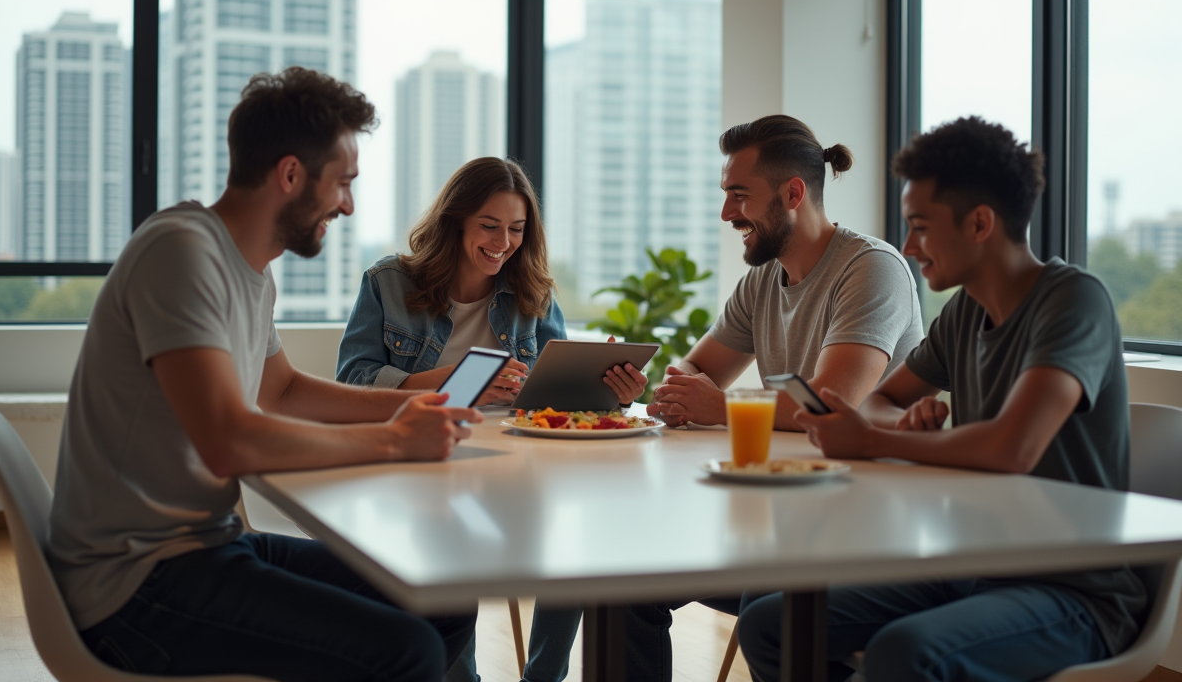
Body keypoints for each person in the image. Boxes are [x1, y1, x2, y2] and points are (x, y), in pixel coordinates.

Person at [47, 68, 480, 682]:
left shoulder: (249, 269)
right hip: (135, 582)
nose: (349, 206)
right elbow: (228, 440)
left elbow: (281, 390)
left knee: (445, 600)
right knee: (406, 651)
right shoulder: (182, 252)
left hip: (210, 544)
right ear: (290, 175)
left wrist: (416, 404)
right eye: (343, 184)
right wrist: (394, 439)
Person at [738, 116, 1145, 682]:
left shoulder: (1074, 301)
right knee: (771, 623)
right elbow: (881, 402)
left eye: (921, 227)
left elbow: (1014, 447)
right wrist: (902, 430)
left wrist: (878, 438)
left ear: (980, 223)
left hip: (1072, 587)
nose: (908, 246)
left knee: (905, 653)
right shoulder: (965, 313)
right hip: (974, 565)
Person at [626, 114, 924, 680]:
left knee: (773, 613)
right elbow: (696, 368)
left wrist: (716, 404)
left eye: (739, 195)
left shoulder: (872, 270)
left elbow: (834, 403)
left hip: (861, 532)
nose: (726, 214)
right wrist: (684, 390)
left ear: (793, 193)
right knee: (625, 582)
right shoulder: (763, 279)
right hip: (782, 521)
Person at [337, 154, 647, 682]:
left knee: (575, 543)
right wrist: (455, 380)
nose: (503, 243)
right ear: (456, 220)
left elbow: (559, 391)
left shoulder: (533, 291)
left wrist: (613, 392)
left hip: (518, 461)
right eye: (489, 226)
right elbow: (353, 380)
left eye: (516, 229)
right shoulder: (389, 282)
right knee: (450, 551)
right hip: (428, 462)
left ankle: (543, 677)